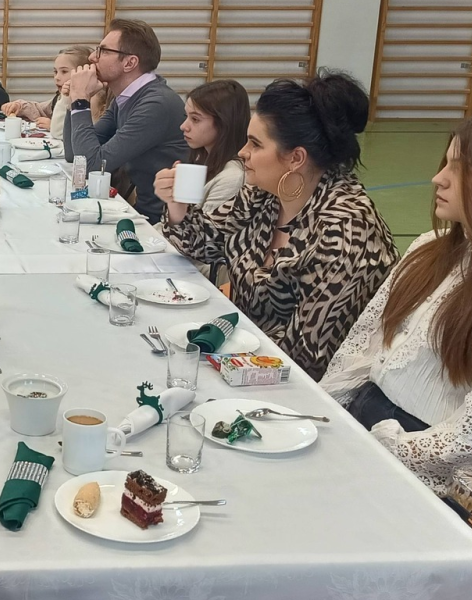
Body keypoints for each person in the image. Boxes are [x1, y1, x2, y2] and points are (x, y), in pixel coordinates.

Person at [321, 112, 472, 493]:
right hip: (363, 418)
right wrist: (323, 407)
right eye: (446, 163)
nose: (439, 178)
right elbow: (364, 343)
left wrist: (384, 444)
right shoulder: (429, 248)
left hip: (420, 462)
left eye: (461, 168)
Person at [153, 70, 397, 379]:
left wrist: (216, 360)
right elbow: (205, 242)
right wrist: (177, 207)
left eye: (255, 144)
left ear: (296, 158)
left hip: (299, 384)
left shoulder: (346, 231)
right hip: (243, 359)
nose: (242, 153)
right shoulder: (264, 195)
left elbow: (307, 357)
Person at [65, 18, 194, 221]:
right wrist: (74, 100)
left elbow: (92, 166)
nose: (92, 57)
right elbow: (75, 156)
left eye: (103, 51)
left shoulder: (155, 104)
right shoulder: (126, 98)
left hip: (163, 223)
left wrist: (80, 101)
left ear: (130, 63)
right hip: (140, 212)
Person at [160, 78, 250, 210]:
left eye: (195, 119)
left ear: (223, 124)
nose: (183, 126)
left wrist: (176, 202)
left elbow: (195, 224)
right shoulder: (201, 159)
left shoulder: (232, 178)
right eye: (186, 116)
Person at [3, 44, 108, 144]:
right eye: (55, 72)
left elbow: (85, 133)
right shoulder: (60, 97)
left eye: (64, 72)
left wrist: (51, 125)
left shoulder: (94, 99)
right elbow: (40, 109)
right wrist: (20, 106)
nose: (57, 77)